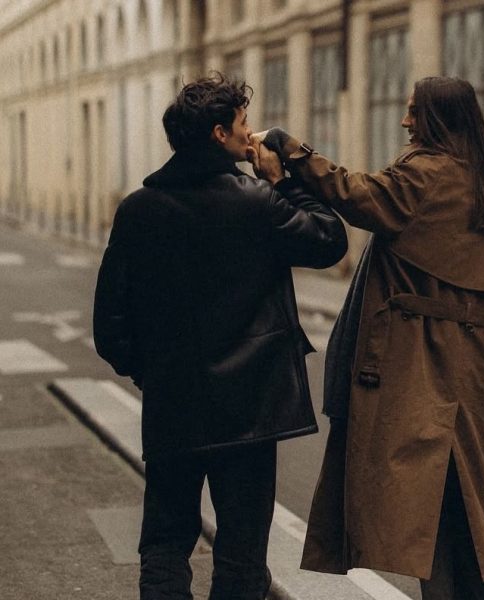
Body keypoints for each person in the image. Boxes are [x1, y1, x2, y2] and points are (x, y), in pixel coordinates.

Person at [253, 76, 484, 599]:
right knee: (478, 510)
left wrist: (291, 149)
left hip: (417, 369)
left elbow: (350, 193)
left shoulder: (417, 184)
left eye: (414, 112)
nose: (404, 122)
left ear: (438, 119)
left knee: (431, 512)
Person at [93, 72, 347, 600]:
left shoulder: (138, 208)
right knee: (241, 552)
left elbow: (109, 328)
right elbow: (328, 239)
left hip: (173, 405)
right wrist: (283, 179)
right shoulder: (256, 202)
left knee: (164, 542)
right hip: (250, 409)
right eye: (243, 124)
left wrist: (156, 374)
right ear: (218, 134)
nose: (249, 134)